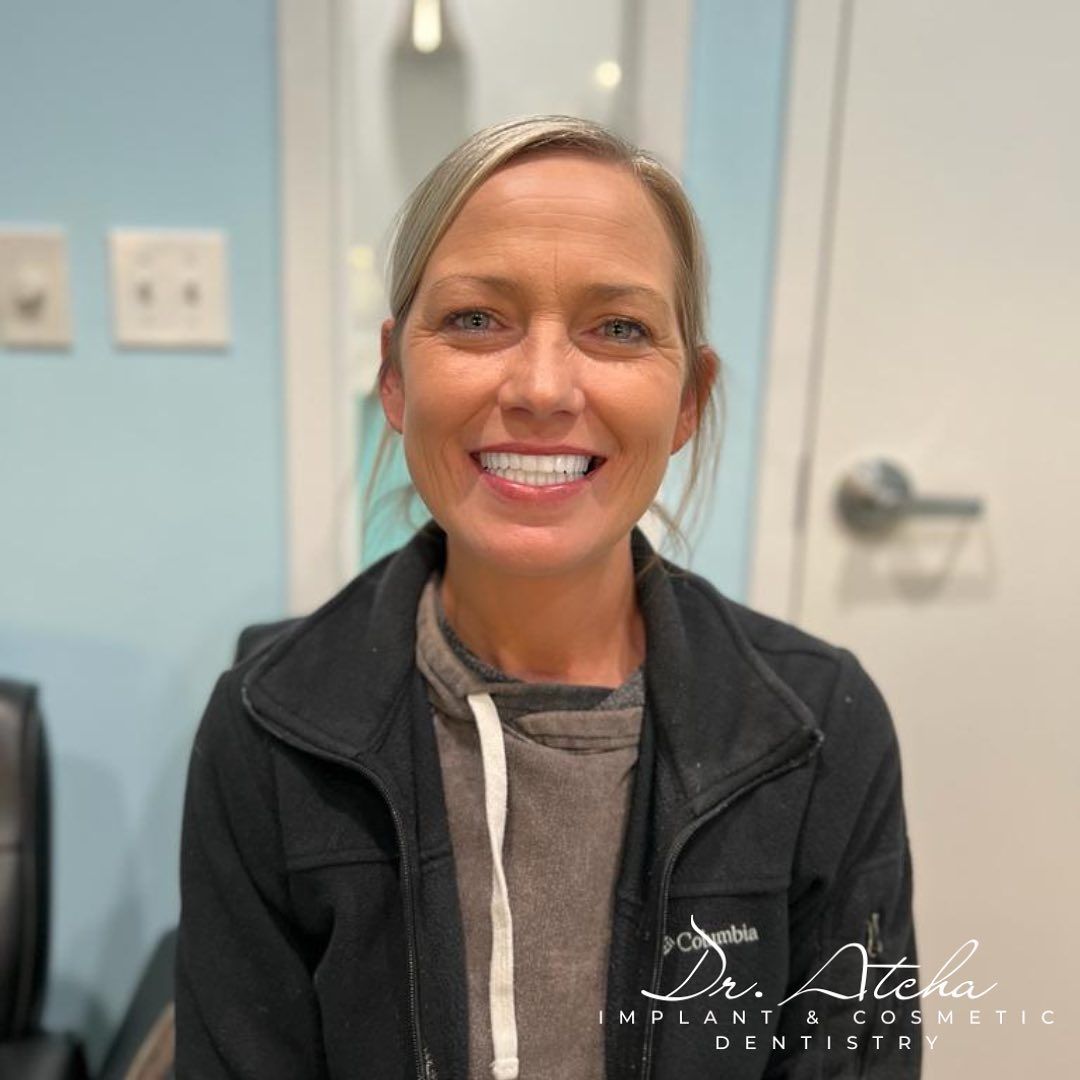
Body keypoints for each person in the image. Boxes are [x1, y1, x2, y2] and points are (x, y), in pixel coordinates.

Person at [175, 115, 921, 1080]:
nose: (541, 387)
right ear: (395, 379)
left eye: (618, 328)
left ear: (688, 399)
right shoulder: (268, 728)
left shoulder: (822, 732)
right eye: (477, 319)